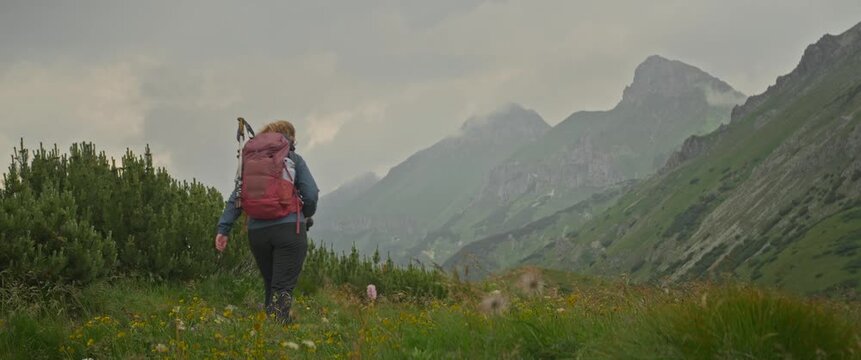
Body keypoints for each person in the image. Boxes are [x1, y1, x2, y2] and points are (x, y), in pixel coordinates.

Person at [215, 120, 319, 323]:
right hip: (289, 229)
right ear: (289, 139)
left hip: (257, 232)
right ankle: (280, 331)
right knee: (283, 287)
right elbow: (311, 194)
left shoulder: (251, 161)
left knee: (272, 283)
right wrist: (305, 214)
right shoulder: (293, 159)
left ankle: (269, 331)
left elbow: (237, 195)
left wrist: (223, 228)